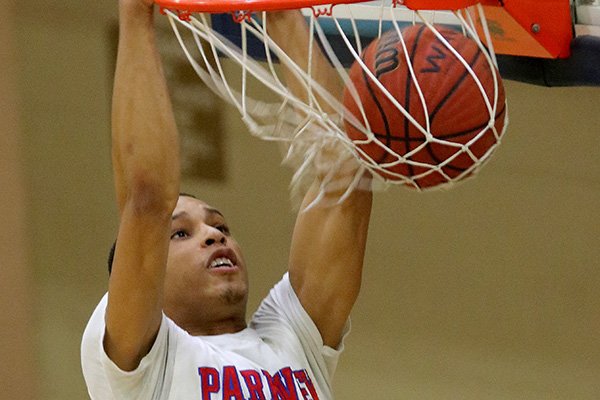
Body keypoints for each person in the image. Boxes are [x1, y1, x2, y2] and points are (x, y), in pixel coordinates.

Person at [81, 0, 372, 398]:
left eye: (220, 227)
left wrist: (281, 14)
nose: (215, 236)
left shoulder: (292, 340)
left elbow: (345, 177)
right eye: (180, 234)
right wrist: (135, 17)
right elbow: (147, 198)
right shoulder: (139, 367)